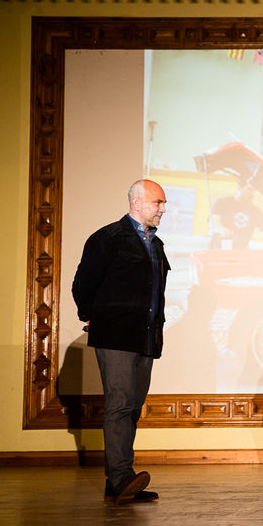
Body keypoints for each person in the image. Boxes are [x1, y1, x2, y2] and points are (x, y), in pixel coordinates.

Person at [72, 179, 170, 504]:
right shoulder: (108, 239)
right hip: (115, 334)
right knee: (119, 403)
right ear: (137, 202)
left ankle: (120, 479)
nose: (163, 209)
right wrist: (91, 314)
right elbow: (83, 282)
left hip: (145, 336)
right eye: (158, 202)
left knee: (133, 407)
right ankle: (120, 478)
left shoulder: (156, 245)